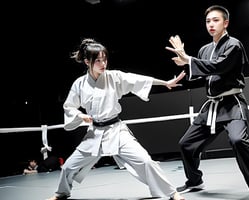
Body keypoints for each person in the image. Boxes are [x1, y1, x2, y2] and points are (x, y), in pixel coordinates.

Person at [46, 38, 186, 200]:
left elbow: (138, 79)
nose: (103, 63)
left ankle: (172, 192)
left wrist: (165, 83)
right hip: (95, 133)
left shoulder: (114, 77)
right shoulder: (80, 84)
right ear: (87, 62)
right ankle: (61, 192)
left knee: (146, 161)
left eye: (104, 59)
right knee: (68, 167)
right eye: (98, 60)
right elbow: (69, 106)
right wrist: (80, 115)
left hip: (116, 130)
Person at [165, 5, 249, 200]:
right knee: (186, 144)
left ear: (226, 23)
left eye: (216, 20)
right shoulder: (205, 49)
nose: (211, 24)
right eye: (208, 21)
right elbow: (201, 72)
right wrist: (186, 64)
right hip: (212, 106)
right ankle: (195, 181)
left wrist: (188, 59)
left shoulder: (234, 44)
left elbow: (218, 66)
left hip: (232, 103)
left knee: (239, 141)